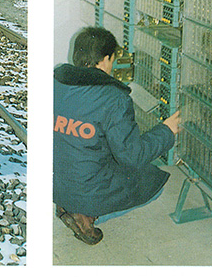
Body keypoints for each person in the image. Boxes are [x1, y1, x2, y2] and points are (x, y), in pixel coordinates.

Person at [54, 27, 182, 245]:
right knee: (152, 181)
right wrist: (166, 130)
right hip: (86, 189)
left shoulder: (56, 83)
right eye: (112, 60)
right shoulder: (114, 98)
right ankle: (86, 214)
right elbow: (133, 156)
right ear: (105, 59)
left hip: (56, 183)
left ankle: (71, 204)